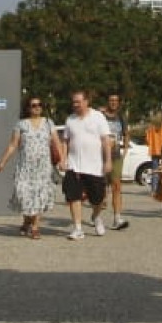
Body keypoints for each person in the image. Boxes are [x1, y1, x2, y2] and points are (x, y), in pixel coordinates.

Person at [0, 95, 58, 239]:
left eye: (39, 105)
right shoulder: (21, 124)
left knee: (39, 196)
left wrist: (63, 160)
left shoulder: (49, 123)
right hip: (25, 167)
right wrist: (3, 162)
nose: (37, 108)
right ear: (28, 108)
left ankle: (35, 227)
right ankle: (26, 221)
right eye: (33, 105)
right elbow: (13, 145)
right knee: (23, 194)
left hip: (43, 168)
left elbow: (56, 143)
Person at [57, 89, 114, 240]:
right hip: (74, 165)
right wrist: (63, 159)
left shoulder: (98, 117)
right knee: (73, 196)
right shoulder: (70, 119)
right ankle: (78, 228)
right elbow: (65, 141)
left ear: (86, 101)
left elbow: (106, 141)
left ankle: (95, 216)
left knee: (98, 198)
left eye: (78, 102)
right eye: (74, 102)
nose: (75, 105)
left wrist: (108, 161)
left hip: (94, 166)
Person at [102, 90, 133, 229]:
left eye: (116, 100)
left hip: (116, 155)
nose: (113, 103)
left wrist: (125, 148)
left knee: (116, 186)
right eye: (111, 100)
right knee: (100, 188)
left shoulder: (121, 117)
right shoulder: (100, 116)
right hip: (100, 156)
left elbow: (126, 133)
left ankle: (117, 218)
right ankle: (95, 215)